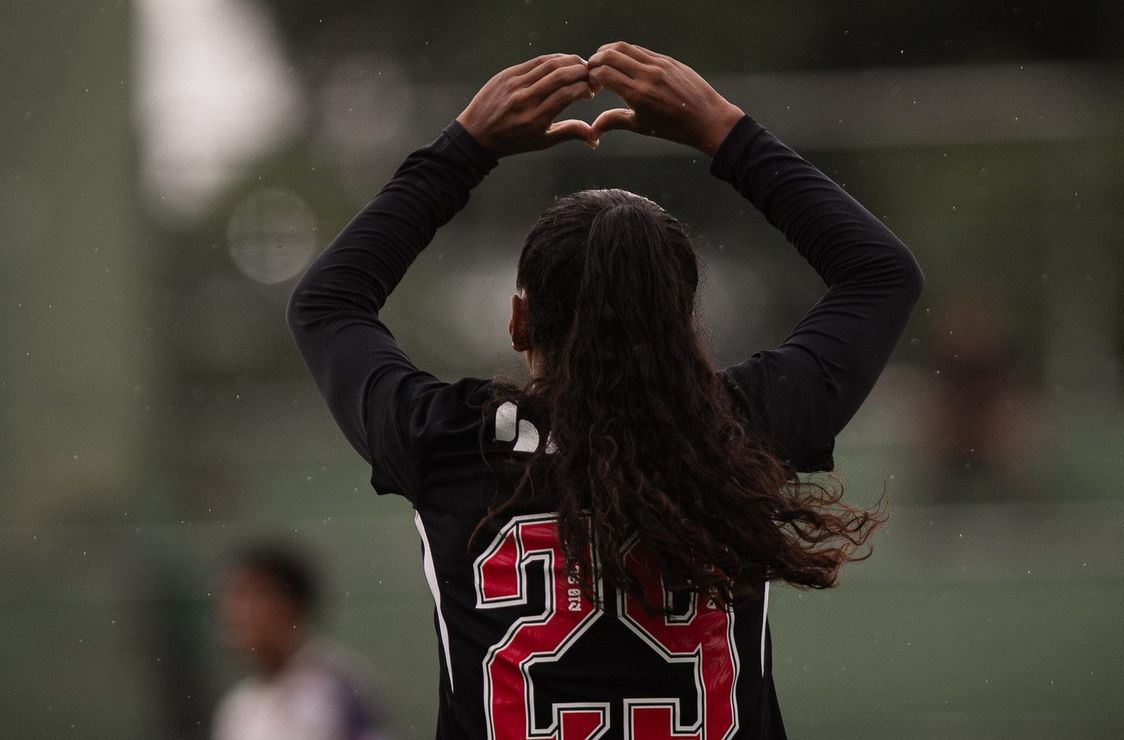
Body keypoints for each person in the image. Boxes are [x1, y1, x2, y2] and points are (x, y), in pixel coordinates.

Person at [287, 42, 923, 739]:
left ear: (519, 320)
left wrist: (462, 151)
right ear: (681, 325)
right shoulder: (740, 428)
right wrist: (725, 132)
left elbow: (329, 303)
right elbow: (880, 275)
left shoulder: (449, 439)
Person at [212, 545, 392, 740]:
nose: (238, 613)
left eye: (254, 595)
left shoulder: (334, 689)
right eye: (233, 597)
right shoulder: (237, 707)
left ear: (293, 605)